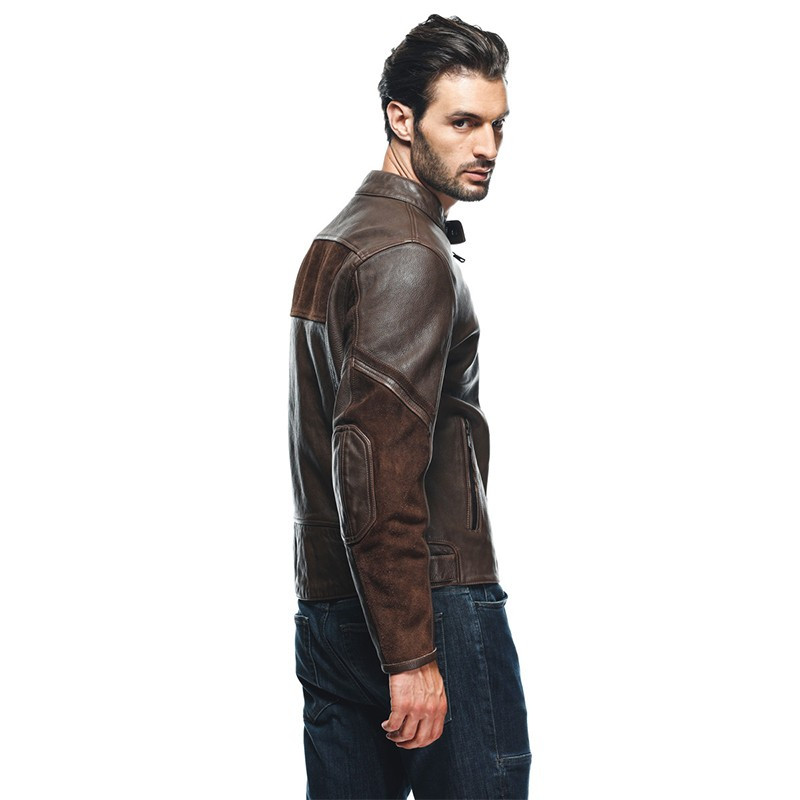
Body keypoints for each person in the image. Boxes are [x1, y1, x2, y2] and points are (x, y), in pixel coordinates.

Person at [288, 14, 530, 799]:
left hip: (335, 604)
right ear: (401, 118)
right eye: (462, 123)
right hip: (427, 609)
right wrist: (411, 655)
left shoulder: (342, 238)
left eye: (497, 124)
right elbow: (373, 463)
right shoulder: (407, 253)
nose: (487, 146)